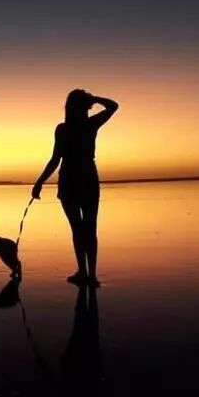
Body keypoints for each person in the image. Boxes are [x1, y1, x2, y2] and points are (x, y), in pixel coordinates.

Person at [32, 89, 118, 287]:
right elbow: (113, 106)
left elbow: (55, 160)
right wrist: (95, 98)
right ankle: (88, 274)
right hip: (83, 178)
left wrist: (39, 182)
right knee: (88, 228)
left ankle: (86, 273)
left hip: (73, 179)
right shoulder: (85, 125)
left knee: (79, 229)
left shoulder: (67, 128)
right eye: (87, 105)